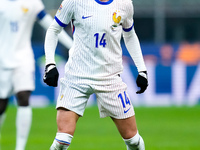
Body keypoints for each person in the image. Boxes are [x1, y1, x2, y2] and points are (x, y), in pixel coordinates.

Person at [43, 0, 148, 149]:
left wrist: (142, 69)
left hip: (110, 77)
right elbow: (54, 29)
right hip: (77, 76)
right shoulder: (74, 1)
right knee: (62, 140)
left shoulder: (124, 3)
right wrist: (50, 64)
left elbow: (129, 34)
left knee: (133, 140)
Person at [0, 0, 73, 150]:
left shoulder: (32, 2)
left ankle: (20, 148)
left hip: (24, 58)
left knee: (23, 96)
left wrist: (73, 46)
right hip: (2, 59)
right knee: (1, 104)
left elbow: (52, 25)